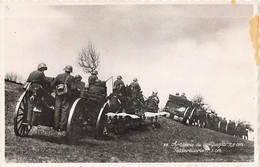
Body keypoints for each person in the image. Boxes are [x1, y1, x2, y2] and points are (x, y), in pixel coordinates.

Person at [52, 65, 74, 131]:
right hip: (67, 95)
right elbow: (73, 87)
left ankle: (56, 125)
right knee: (64, 109)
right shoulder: (71, 77)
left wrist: (56, 90)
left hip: (58, 94)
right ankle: (62, 126)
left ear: (65, 70)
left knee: (57, 109)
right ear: (70, 71)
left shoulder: (59, 76)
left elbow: (53, 84)